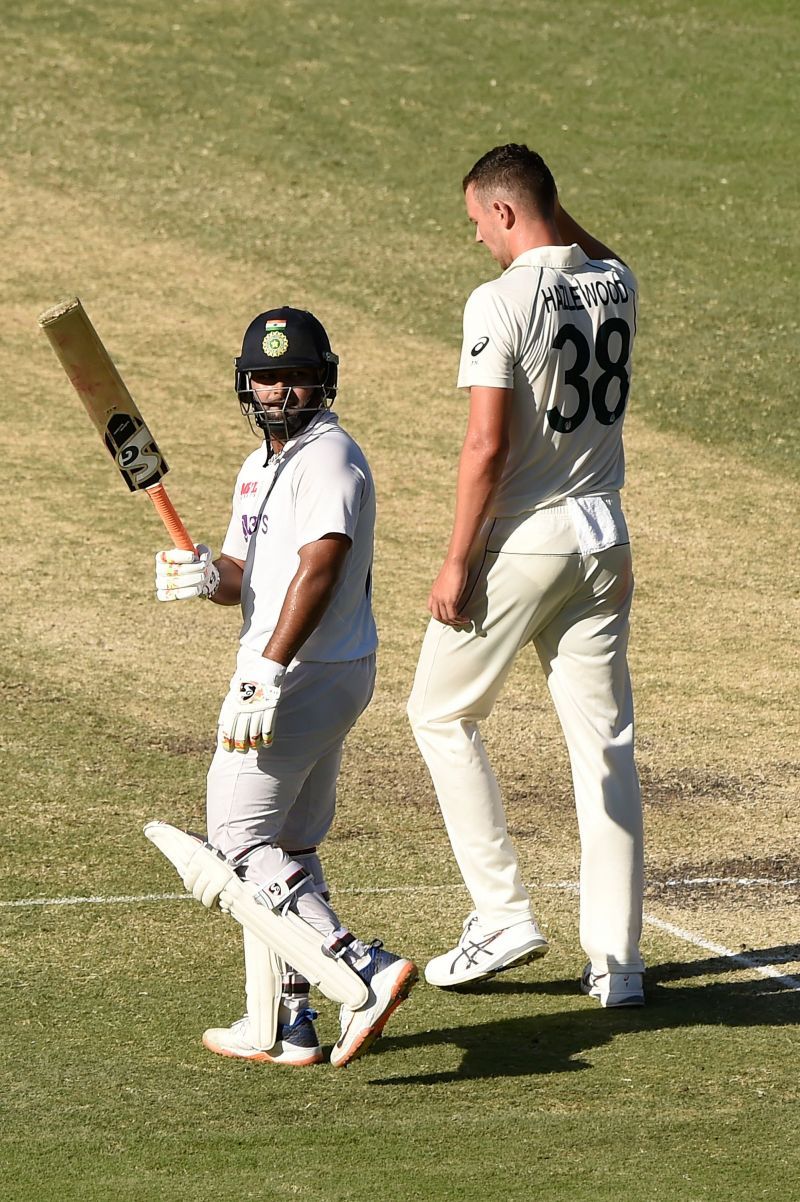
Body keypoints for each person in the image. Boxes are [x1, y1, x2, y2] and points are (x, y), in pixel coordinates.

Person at [407, 144, 645, 1008]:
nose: (477, 239)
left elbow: (486, 447)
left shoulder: (499, 300)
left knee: (438, 712)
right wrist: (550, 216)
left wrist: (457, 559)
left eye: (479, 220)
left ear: (507, 212)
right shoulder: (618, 282)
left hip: (526, 542)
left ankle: (502, 915)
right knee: (606, 748)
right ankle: (619, 966)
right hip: (607, 539)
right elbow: (596, 252)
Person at [154, 306, 417, 1065]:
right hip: (314, 669)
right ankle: (286, 1021)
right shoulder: (256, 468)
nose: (280, 392)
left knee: (236, 845)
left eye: (296, 378)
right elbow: (244, 578)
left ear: (322, 382)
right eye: (268, 378)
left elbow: (321, 565)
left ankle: (360, 967)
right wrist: (207, 572)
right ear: (247, 385)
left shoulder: (331, 459)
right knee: (289, 842)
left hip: (304, 672)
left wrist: (267, 670)